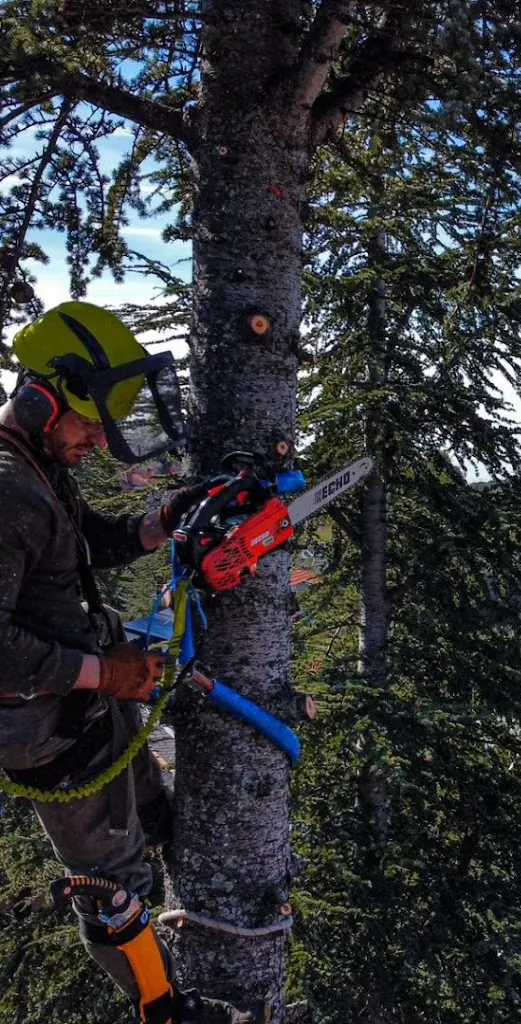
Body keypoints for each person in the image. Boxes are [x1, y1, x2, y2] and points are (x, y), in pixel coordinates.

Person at [0, 302, 259, 1023]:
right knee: (112, 882)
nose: (94, 439)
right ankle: (165, 1011)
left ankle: (188, 939)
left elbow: (83, 542)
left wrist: (157, 525)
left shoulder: (38, 466)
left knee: (156, 822)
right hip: (46, 729)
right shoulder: (6, 486)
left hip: (85, 704)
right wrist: (103, 674)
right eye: (88, 422)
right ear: (38, 396)